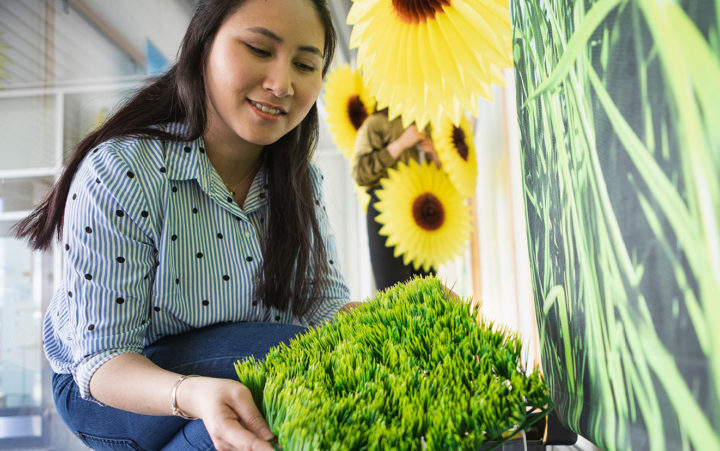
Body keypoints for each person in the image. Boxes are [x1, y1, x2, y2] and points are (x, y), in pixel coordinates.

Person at [14, 0, 359, 449]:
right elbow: (102, 359)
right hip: (109, 388)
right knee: (293, 356)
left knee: (270, 421)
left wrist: (407, 311)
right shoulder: (123, 170)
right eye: (258, 49)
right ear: (202, 51)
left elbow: (326, 311)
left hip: (234, 370)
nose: (281, 83)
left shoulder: (300, 180)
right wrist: (189, 392)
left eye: (305, 64)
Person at [352, 110, 439, 291]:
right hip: (386, 212)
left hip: (423, 213)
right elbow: (361, 174)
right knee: (393, 292)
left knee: (427, 293)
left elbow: (440, 183)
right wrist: (401, 144)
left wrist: (435, 159)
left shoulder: (426, 125)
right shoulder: (375, 124)